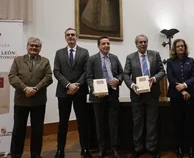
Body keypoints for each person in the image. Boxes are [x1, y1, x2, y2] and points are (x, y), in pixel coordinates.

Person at [8, 37, 53, 158]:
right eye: (32, 45)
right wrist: (25, 88)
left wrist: (36, 89)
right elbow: (12, 76)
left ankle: (36, 155)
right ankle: (16, 155)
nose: (34, 47)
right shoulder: (18, 60)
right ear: (27, 46)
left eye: (36, 46)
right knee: (18, 129)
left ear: (40, 48)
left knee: (37, 130)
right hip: (21, 100)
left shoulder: (45, 61)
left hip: (38, 101)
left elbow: (49, 77)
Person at [123, 34, 165, 158]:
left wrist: (154, 79)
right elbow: (126, 74)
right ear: (136, 44)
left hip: (152, 94)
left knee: (152, 122)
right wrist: (132, 86)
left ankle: (151, 148)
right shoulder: (130, 57)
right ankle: (138, 148)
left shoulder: (155, 54)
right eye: (140, 42)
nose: (143, 44)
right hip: (137, 95)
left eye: (145, 42)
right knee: (138, 122)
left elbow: (162, 71)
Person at [53, 28, 91, 158]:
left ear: (76, 37)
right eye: (68, 35)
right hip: (64, 92)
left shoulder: (84, 52)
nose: (71, 37)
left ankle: (85, 149)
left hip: (80, 92)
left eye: (73, 35)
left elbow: (87, 71)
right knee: (63, 122)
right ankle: (60, 150)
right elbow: (56, 71)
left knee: (82, 121)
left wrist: (77, 85)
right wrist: (68, 85)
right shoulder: (59, 53)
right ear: (65, 37)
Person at [87, 36, 123, 158]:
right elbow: (89, 77)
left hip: (112, 94)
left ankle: (114, 148)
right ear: (99, 46)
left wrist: (118, 80)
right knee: (100, 123)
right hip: (98, 96)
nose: (106, 45)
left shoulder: (114, 58)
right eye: (103, 44)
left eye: (108, 43)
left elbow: (121, 73)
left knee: (114, 123)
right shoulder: (92, 59)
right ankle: (101, 149)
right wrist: (94, 88)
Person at [166, 39, 194, 158]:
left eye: (182, 46)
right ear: (174, 49)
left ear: (185, 48)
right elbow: (171, 78)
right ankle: (178, 148)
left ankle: (190, 148)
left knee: (190, 123)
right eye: (178, 46)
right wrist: (182, 90)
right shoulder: (170, 62)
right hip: (175, 97)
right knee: (177, 123)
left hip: (189, 96)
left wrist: (185, 86)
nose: (180, 48)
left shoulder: (190, 61)